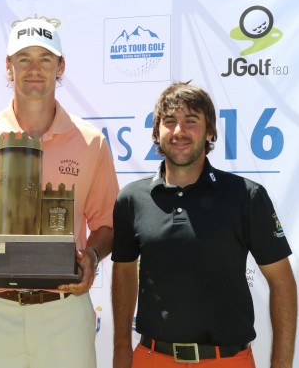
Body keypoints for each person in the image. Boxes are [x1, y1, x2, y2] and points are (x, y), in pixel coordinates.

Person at [0, 18, 119, 368]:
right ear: (9, 65)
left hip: (63, 311)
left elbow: (107, 224)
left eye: (45, 58)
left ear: (60, 66)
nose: (34, 69)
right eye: (23, 58)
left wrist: (92, 258)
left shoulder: (91, 142)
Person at [111, 81, 297, 368]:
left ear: (209, 131)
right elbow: (123, 274)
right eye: (169, 121)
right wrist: (121, 349)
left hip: (227, 361)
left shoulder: (246, 196)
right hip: (151, 359)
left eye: (191, 121)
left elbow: (282, 282)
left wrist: (282, 364)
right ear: (156, 132)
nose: (179, 131)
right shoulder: (131, 199)